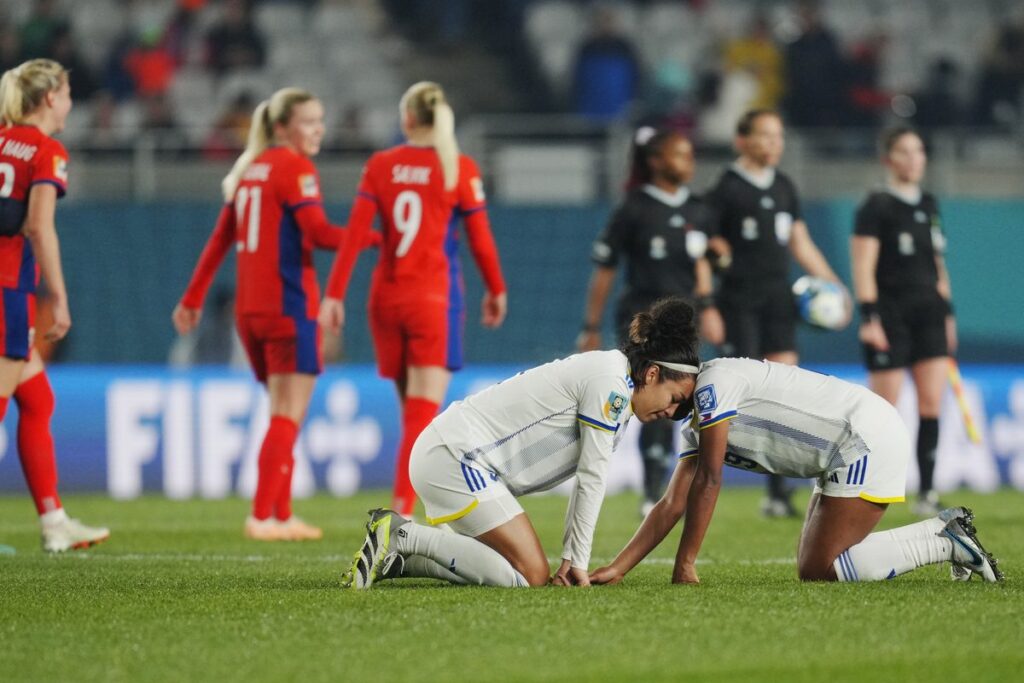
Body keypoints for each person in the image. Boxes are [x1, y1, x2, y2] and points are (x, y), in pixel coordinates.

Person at [344, 297, 702, 589]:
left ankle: (398, 558)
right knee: (530, 575)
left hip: (455, 455)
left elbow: (586, 479)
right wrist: (575, 562)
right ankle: (403, 534)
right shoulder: (610, 382)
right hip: (457, 457)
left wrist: (572, 558)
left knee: (509, 571)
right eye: (673, 397)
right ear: (652, 373)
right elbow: (592, 476)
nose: (671, 412)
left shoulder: (615, 385)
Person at [589, 357, 1003, 585]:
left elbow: (710, 480)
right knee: (813, 567)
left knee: (824, 570)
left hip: (862, 439)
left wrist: (686, 564)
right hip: (842, 448)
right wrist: (619, 567)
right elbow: (671, 503)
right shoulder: (698, 419)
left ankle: (942, 539)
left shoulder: (715, 387)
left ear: (655, 373)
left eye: (637, 391)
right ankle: (943, 535)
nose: (645, 410)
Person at [319, 81, 507, 519]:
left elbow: (352, 235)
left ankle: (410, 504)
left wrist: (333, 295)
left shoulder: (381, 165)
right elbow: (479, 241)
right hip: (432, 300)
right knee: (424, 414)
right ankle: (403, 513)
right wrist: (496, 289)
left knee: (413, 416)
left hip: (385, 301)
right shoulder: (456, 168)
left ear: (406, 119)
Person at [174, 87, 350, 542]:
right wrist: (375, 235)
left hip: (250, 312)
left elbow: (219, 241)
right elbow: (320, 233)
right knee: (288, 414)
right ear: (282, 128)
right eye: (309, 121)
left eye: (320, 120)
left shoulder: (251, 170)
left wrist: (192, 298)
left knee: (279, 412)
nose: (318, 129)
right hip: (289, 306)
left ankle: (282, 511)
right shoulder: (294, 167)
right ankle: (261, 515)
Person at [705, 109, 846, 518]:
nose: (774, 144)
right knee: (748, 394)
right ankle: (714, 476)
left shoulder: (784, 186)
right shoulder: (726, 189)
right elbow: (706, 240)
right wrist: (716, 260)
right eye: (765, 135)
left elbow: (800, 242)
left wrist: (833, 284)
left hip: (778, 300)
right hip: (739, 300)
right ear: (742, 140)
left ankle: (778, 491)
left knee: (787, 391)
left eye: (779, 136)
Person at [578, 127, 724, 517]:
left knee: (680, 398)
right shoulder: (634, 207)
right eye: (680, 154)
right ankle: (649, 486)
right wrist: (590, 324)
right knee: (649, 392)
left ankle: (664, 485)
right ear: (656, 161)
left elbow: (704, 261)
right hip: (640, 316)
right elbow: (606, 268)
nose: (688, 162)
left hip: (685, 321)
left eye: (691, 155)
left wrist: (709, 306)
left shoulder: (699, 209)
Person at [0, 58, 109, 552]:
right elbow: (39, 226)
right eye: (66, 93)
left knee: (37, 399)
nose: (70, 103)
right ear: (50, 98)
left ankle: (54, 522)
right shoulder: (45, 150)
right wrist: (59, 297)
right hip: (7, 289)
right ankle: (54, 523)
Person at [851, 126, 957, 517]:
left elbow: (938, 265)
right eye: (905, 152)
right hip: (890, 315)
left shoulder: (929, 204)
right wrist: (870, 317)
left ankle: (926, 492)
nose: (914, 159)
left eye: (919, 151)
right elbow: (863, 266)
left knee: (931, 404)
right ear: (888, 159)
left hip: (929, 313)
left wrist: (948, 315)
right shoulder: (875, 206)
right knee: (884, 409)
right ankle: (869, 488)